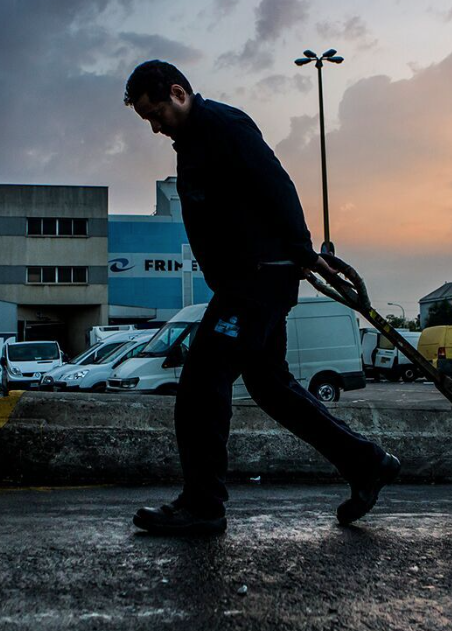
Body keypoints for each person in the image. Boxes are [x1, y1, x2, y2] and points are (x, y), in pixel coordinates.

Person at [124, 60, 400, 536]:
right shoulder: (190, 142)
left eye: (156, 113)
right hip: (246, 281)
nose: (154, 127)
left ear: (178, 92)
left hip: (257, 280)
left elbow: (276, 185)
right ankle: (366, 463)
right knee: (271, 388)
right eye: (146, 119)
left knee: (200, 387)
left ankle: (203, 505)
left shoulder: (225, 125)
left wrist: (302, 251)